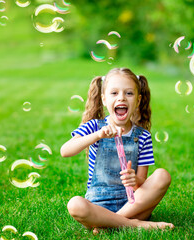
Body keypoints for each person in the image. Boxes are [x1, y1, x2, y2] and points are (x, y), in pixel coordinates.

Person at [60, 68, 174, 233]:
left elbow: (142, 182)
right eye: (114, 93)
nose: (121, 97)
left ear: (138, 100)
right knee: (75, 205)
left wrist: (135, 180)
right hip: (98, 207)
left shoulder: (142, 136)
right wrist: (97, 135)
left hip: (132, 205)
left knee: (163, 175)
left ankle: (111, 223)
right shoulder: (94, 127)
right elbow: (65, 150)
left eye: (129, 93)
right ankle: (135, 225)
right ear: (104, 99)